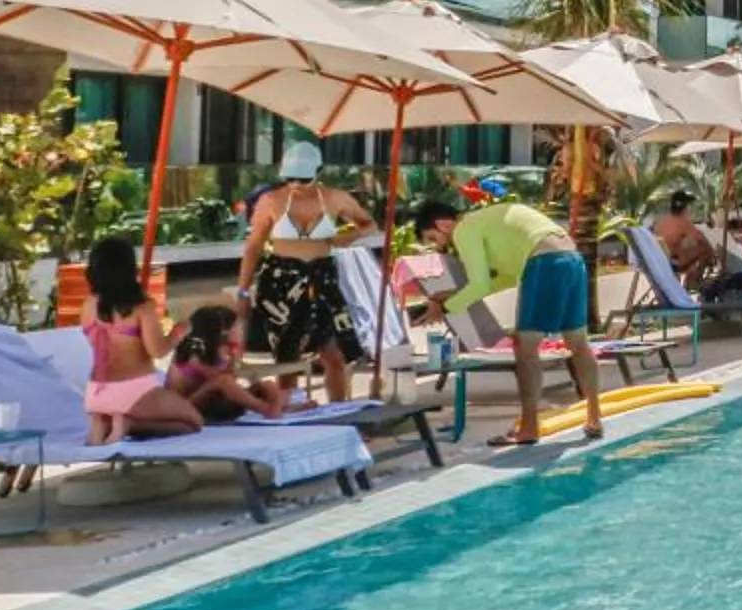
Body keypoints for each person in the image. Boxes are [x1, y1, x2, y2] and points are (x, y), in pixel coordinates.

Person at [417, 198, 602, 449]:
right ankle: (594, 417)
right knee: (579, 344)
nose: (437, 247)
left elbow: (479, 284)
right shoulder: (486, 221)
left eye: (432, 238)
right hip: (571, 258)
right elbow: (505, 279)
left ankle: (528, 428)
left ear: (443, 225)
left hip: (544, 262)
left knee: (526, 348)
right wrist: (453, 299)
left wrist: (446, 306)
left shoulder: (464, 229)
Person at [233, 141, 378, 405]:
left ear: (318, 172)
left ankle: (339, 411)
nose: (297, 183)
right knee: (288, 354)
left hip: (321, 276)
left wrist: (348, 237)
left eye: (304, 178)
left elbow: (369, 224)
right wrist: (243, 289)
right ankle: (288, 410)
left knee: (335, 353)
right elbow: (253, 245)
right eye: (291, 178)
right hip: (282, 278)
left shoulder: (335, 198)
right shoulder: (272, 200)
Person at [78, 237, 203, 444]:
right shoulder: (141, 306)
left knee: (182, 417)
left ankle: (105, 423)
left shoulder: (89, 304)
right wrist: (179, 331)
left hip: (96, 392)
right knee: (193, 422)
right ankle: (129, 424)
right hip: (135, 391)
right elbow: (158, 351)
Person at [167, 304, 290, 421]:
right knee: (223, 381)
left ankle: (281, 408)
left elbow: (233, 382)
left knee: (267, 385)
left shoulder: (221, 355)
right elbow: (220, 380)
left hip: (212, 402)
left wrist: (256, 385)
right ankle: (266, 409)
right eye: (228, 344)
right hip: (184, 406)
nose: (232, 351)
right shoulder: (192, 357)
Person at [650, 190, 722, 292]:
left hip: (658, 261)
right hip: (673, 264)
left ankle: (691, 281)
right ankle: (692, 282)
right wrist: (714, 256)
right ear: (686, 208)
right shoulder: (684, 223)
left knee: (688, 243)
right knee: (703, 248)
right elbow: (702, 239)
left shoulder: (662, 221)